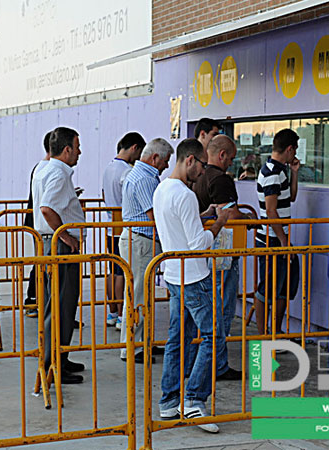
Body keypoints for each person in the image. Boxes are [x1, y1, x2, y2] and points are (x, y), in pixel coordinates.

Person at [155, 138, 231, 433]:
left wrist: (203, 217)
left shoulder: (163, 189)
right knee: (214, 337)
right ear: (190, 160)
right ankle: (195, 400)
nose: (203, 171)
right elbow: (198, 244)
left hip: (174, 275)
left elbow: (178, 228)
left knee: (178, 341)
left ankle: (170, 401)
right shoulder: (184, 195)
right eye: (201, 165)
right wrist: (218, 222)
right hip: (194, 277)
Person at [190, 134, 251, 380]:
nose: (231, 164)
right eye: (231, 158)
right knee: (221, 312)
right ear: (222, 155)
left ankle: (202, 362)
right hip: (222, 253)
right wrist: (250, 219)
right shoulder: (221, 180)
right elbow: (231, 215)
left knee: (204, 313)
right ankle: (217, 364)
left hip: (203, 251)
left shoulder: (198, 177)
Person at [32, 126, 86, 384]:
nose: (79, 152)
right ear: (66, 150)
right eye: (77, 147)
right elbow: (46, 208)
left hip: (51, 242)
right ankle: (54, 362)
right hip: (59, 246)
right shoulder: (58, 173)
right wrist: (65, 235)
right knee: (61, 305)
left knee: (57, 304)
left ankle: (58, 357)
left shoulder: (45, 168)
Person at [118, 138, 173, 363]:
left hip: (140, 241)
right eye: (165, 161)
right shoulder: (144, 179)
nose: (167, 166)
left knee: (141, 294)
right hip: (141, 241)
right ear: (155, 158)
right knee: (139, 295)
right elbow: (155, 215)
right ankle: (134, 346)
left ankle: (141, 342)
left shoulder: (141, 175)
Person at [254, 129, 301, 335]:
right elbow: (271, 211)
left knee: (283, 286)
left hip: (277, 237)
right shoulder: (272, 172)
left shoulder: (279, 170)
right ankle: (265, 333)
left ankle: (276, 330)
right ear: (289, 149)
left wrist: (295, 173)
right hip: (271, 239)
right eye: (295, 150)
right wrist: (283, 240)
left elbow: (290, 197)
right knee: (268, 287)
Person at [102, 132, 145, 329]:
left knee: (113, 270)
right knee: (122, 272)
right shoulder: (127, 171)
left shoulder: (109, 168)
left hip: (111, 226)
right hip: (124, 228)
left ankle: (112, 312)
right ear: (134, 147)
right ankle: (121, 315)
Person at [22, 131, 52, 318]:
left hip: (38, 221)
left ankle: (35, 299)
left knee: (41, 261)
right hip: (43, 223)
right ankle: (35, 299)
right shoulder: (48, 168)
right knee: (44, 262)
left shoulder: (40, 167)